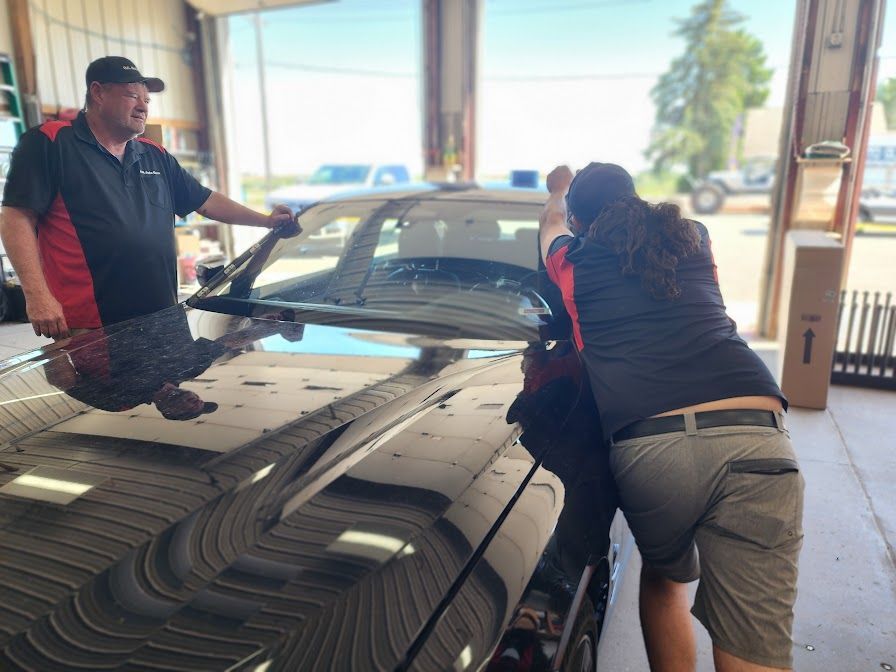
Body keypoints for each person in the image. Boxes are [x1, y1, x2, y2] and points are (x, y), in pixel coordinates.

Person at [538, 162, 804, 672]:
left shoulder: (572, 260)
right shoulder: (693, 239)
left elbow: (551, 224)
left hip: (653, 445)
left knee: (665, 580)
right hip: (757, 431)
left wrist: (558, 191)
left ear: (580, 223)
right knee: (754, 639)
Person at [0, 56, 296, 340]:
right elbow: (16, 219)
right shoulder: (51, 142)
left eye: (147, 100)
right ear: (98, 93)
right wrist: (37, 296)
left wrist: (265, 221)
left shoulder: (153, 154)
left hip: (161, 314)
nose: (143, 106)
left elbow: (206, 201)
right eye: (132, 96)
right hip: (90, 323)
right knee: (97, 380)